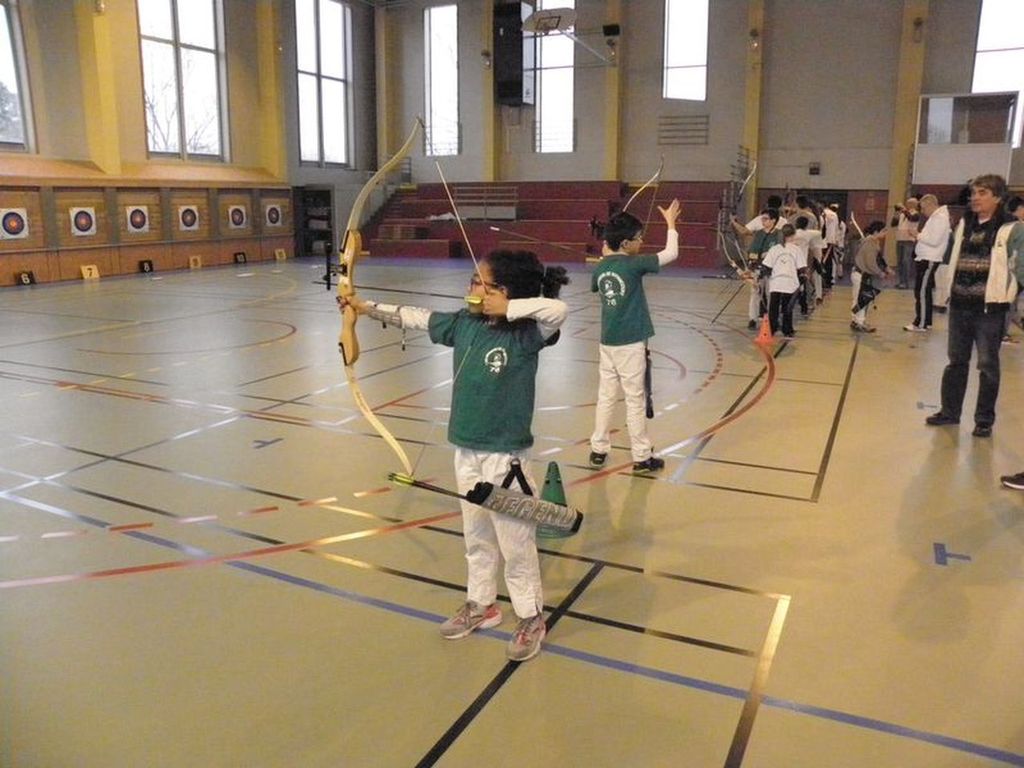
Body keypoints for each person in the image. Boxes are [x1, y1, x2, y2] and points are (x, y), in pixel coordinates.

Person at [340, 250, 570, 662]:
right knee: (476, 536)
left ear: (502, 291)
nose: (471, 286)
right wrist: (363, 306)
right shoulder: (465, 323)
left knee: (515, 544)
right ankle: (482, 605)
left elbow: (559, 311)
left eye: (480, 282)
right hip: (466, 450)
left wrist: (508, 309)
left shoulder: (526, 334)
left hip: (505, 459)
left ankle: (531, 616)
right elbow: (415, 317)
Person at [925, 174, 1024, 438]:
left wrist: (1013, 296)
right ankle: (950, 412)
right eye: (973, 193)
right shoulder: (964, 224)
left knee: (988, 366)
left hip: (990, 309)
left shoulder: (1012, 229)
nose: (975, 198)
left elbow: (1021, 267)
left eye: (982, 193)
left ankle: (984, 420)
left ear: (998, 197)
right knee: (956, 361)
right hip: (959, 305)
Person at [589, 199, 682, 473]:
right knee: (635, 399)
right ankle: (641, 456)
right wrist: (671, 223)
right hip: (629, 343)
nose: (642, 242)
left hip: (607, 342)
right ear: (626, 243)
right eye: (639, 238)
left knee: (606, 397)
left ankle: (598, 449)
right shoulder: (633, 264)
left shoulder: (601, 268)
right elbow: (671, 253)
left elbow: (597, 285)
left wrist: (608, 256)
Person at [903, 194, 950, 332]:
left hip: (930, 258)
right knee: (924, 291)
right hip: (925, 257)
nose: (922, 212)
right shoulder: (935, 218)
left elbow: (934, 241)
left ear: (930, 205)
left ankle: (921, 323)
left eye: (923, 208)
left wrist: (917, 235)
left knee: (922, 292)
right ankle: (927, 321)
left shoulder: (940, 218)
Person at [759, 224, 804, 339]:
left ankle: (771, 329)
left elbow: (766, 267)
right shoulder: (796, 249)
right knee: (787, 308)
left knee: (773, 307)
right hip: (790, 283)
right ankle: (787, 330)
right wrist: (802, 281)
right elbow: (801, 268)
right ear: (793, 235)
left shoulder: (774, 249)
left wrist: (762, 276)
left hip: (776, 282)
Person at [741, 208, 783, 329]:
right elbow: (753, 251)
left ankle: (772, 319)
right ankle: (752, 319)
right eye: (762, 219)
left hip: (773, 270)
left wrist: (769, 255)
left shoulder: (779, 234)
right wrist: (752, 263)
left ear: (773, 220)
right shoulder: (759, 234)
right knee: (755, 293)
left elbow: (780, 251)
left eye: (766, 219)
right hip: (758, 268)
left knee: (771, 295)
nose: (763, 221)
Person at [850, 221, 890, 332]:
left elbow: (878, 257)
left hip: (860, 274)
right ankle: (859, 322)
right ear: (876, 232)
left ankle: (856, 320)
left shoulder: (872, 241)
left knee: (858, 298)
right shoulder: (870, 243)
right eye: (883, 231)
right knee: (863, 299)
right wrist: (880, 272)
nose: (885, 233)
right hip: (861, 274)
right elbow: (870, 263)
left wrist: (886, 268)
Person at [891, 198, 920, 289]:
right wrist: (896, 213)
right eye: (907, 203)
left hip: (908, 240)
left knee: (905, 261)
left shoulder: (916, 214)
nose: (907, 205)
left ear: (914, 205)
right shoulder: (903, 214)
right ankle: (901, 281)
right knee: (900, 261)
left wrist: (904, 210)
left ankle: (905, 283)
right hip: (899, 239)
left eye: (909, 203)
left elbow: (911, 219)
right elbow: (893, 224)